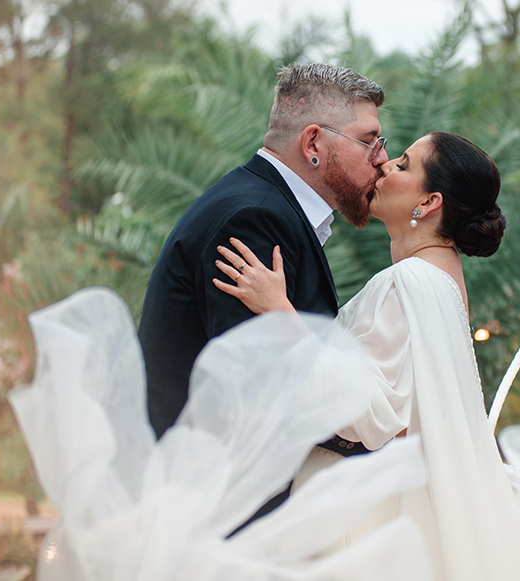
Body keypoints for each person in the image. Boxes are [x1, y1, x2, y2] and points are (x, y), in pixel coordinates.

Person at [214, 132, 520, 581]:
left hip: (353, 515)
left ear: (428, 203)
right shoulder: (444, 280)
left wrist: (282, 312)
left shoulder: (408, 282)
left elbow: (363, 415)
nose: (385, 165)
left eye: (404, 165)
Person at [138, 63, 388, 440]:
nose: (381, 158)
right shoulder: (255, 220)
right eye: (369, 141)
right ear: (313, 144)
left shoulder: (262, 205)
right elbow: (253, 392)